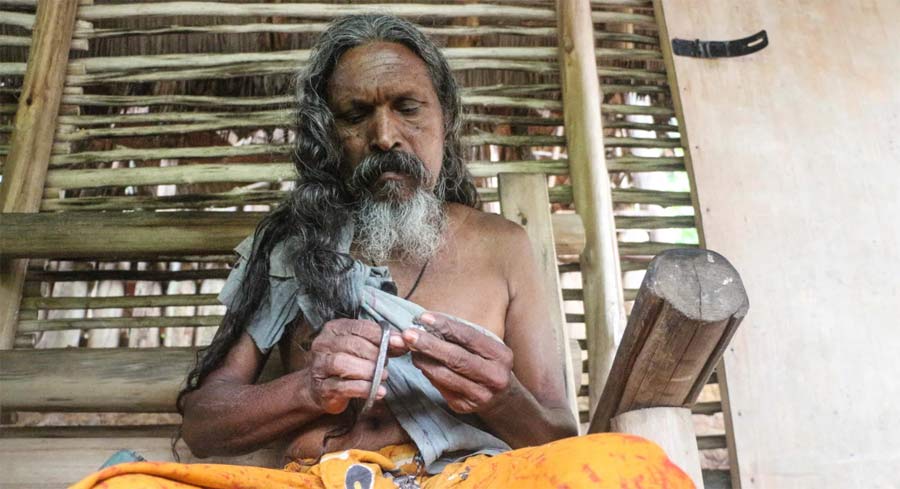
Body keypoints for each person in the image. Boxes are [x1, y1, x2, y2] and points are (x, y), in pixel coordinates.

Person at [71, 14, 694, 489]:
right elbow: (203, 425)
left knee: (626, 464)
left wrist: (498, 396)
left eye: (407, 107)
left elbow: (557, 433)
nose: (385, 135)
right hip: (316, 479)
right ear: (328, 135)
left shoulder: (503, 245)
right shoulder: (289, 245)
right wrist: (308, 389)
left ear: (444, 118)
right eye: (356, 114)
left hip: (466, 479)